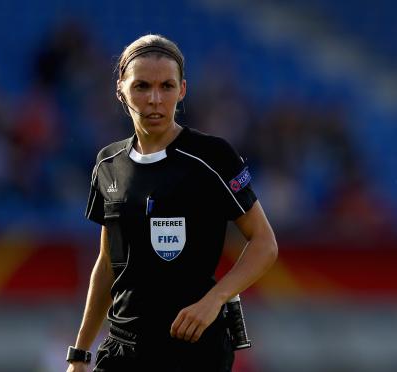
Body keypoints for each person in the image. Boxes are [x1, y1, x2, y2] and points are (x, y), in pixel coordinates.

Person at [66, 34, 278, 372]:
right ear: (121, 88)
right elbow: (107, 263)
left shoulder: (213, 156)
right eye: (142, 86)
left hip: (193, 350)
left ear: (182, 90)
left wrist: (214, 300)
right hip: (122, 350)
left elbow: (264, 244)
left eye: (166, 86)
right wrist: (80, 354)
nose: (154, 99)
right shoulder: (107, 165)